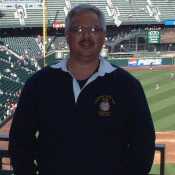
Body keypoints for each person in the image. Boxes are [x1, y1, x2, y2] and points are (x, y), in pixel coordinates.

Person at [9, 4, 155, 175]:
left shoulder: (128, 85)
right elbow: (20, 139)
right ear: (67, 35)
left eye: (94, 29)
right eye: (78, 29)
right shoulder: (39, 83)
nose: (86, 35)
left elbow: (143, 145)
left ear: (103, 36)